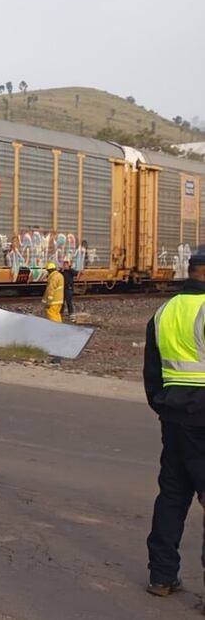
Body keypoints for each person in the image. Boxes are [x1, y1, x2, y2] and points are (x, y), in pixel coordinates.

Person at [144, 249, 205, 597]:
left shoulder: (163, 311)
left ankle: (161, 576)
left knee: (172, 494)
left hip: (174, 417)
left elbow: (152, 374)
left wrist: (164, 408)